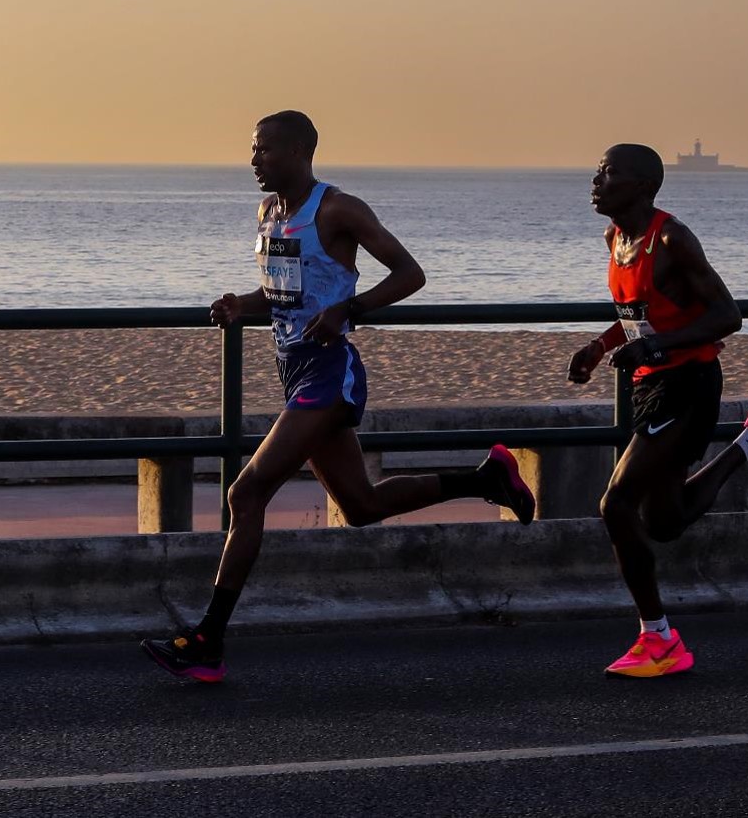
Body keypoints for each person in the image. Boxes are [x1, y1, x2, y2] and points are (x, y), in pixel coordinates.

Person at [143, 111, 536, 682]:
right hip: (293, 368)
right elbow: (284, 293)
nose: (254, 160)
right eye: (252, 150)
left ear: (301, 150)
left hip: (329, 372)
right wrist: (241, 306)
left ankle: (207, 640)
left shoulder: (338, 209)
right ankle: (486, 479)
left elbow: (410, 273)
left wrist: (349, 309)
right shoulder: (269, 212)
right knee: (361, 507)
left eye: (264, 150)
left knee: (247, 493)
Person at [570, 144, 748, 678]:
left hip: (687, 385)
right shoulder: (616, 239)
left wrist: (653, 351)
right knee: (665, 521)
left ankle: (658, 638)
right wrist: (600, 347)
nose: (595, 180)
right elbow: (643, 316)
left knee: (616, 504)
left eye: (607, 173)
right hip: (651, 385)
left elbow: (727, 315)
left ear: (640, 186)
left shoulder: (671, 238)